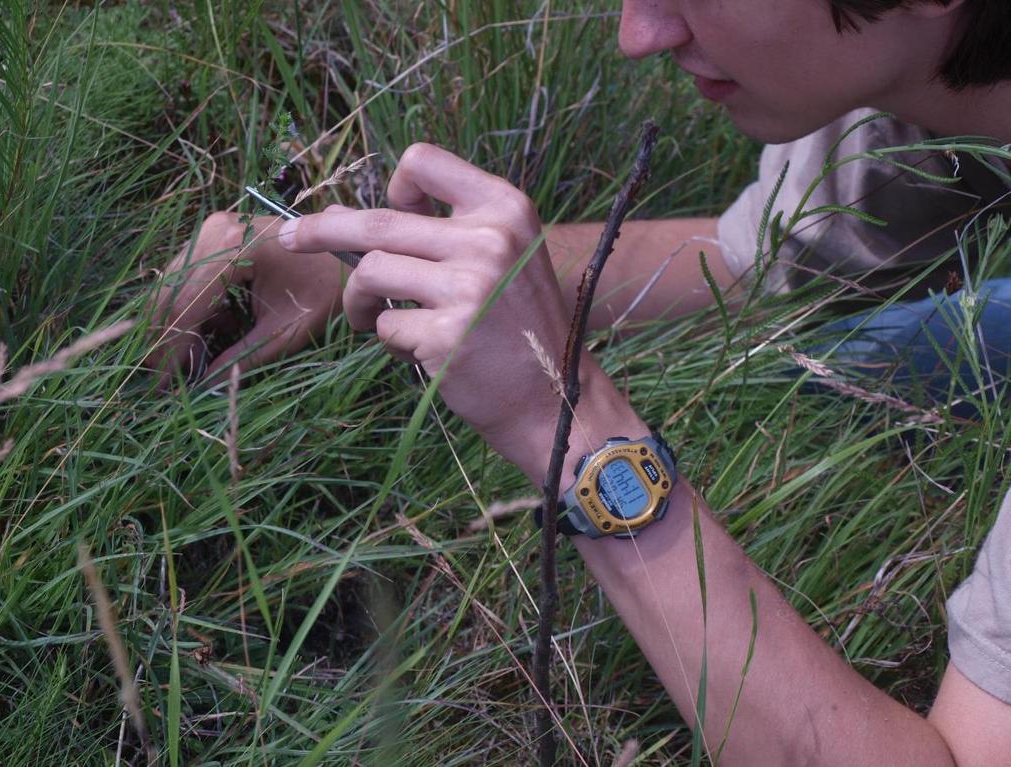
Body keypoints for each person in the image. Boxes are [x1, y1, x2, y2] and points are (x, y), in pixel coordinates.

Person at [147, 1, 1011, 763]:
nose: (640, 34)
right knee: (863, 359)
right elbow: (764, 265)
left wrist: (563, 415)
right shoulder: (917, 78)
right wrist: (362, 267)